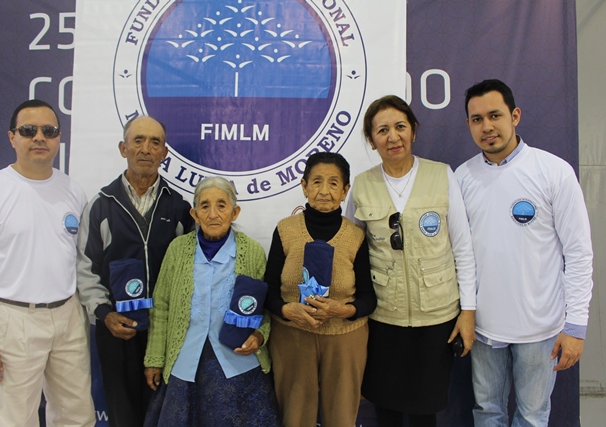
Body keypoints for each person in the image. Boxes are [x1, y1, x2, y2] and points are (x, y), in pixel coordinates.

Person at [455, 79, 593, 427]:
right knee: (487, 414)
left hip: (541, 328)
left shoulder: (554, 172)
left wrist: (575, 327)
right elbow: (458, 255)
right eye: (476, 119)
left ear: (515, 116)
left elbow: (578, 253)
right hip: (483, 328)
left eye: (495, 115)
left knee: (532, 417)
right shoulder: (462, 178)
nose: (487, 127)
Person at [345, 95, 476, 427]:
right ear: (371, 140)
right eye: (382, 130)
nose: (393, 137)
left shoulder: (441, 175)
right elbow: (349, 252)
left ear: (413, 131)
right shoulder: (361, 185)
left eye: (400, 127)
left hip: (437, 317)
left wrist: (468, 312)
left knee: (424, 409)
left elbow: (462, 248)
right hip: (383, 318)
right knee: (386, 406)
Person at [0, 99, 95, 426]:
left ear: (58, 138)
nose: (39, 137)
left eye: (48, 131)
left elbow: (80, 261)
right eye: (29, 130)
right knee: (17, 420)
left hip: (68, 316)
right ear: (12, 137)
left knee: (77, 416)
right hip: (13, 319)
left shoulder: (73, 191)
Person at [76, 115, 194, 427]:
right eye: (138, 140)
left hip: (162, 330)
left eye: (155, 142)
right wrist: (104, 313)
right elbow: (86, 268)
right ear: (123, 148)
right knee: (121, 412)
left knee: (159, 412)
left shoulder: (179, 208)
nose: (145, 148)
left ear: (164, 153)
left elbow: (187, 270)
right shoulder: (101, 205)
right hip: (115, 327)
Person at [143, 177, 280, 427]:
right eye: (205, 206)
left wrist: (259, 335)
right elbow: (161, 306)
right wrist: (154, 358)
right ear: (194, 214)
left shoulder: (251, 251)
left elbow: (266, 308)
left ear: (234, 211)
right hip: (185, 361)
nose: (213, 214)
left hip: (239, 364)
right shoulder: (178, 249)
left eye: (221, 205)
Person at [265, 152, 377, 427]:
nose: (324, 191)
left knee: (341, 417)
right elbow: (268, 290)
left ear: (345, 190)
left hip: (345, 339)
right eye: (316, 182)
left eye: (333, 183)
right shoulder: (285, 230)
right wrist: (286, 310)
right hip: (292, 338)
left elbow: (368, 298)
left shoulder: (356, 236)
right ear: (304, 186)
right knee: (294, 416)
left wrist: (344, 309)